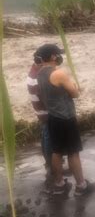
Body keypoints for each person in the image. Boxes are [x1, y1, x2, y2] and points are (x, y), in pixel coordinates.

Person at [35, 44, 95, 197]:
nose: (59, 57)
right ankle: (81, 186)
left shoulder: (40, 73)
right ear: (52, 57)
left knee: (57, 152)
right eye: (57, 54)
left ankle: (59, 184)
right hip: (66, 118)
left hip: (53, 117)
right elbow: (75, 93)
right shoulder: (58, 74)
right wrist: (75, 85)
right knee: (73, 153)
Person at [27, 53, 52, 181]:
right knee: (48, 138)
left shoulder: (33, 72)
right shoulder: (38, 77)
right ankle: (50, 165)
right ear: (40, 61)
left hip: (40, 111)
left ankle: (49, 163)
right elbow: (46, 97)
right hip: (45, 112)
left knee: (45, 135)